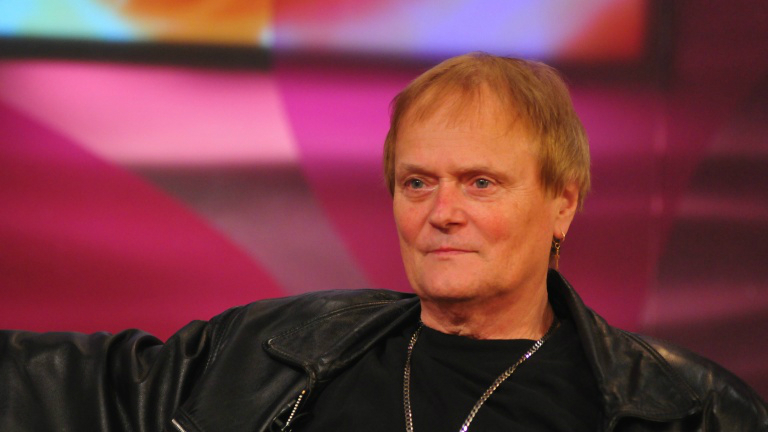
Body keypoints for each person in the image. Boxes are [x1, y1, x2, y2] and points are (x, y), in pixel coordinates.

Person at [1, 52, 766, 432]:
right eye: (417, 182)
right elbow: (81, 388)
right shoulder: (276, 353)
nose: (442, 212)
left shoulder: (686, 411)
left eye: (481, 183)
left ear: (562, 203)